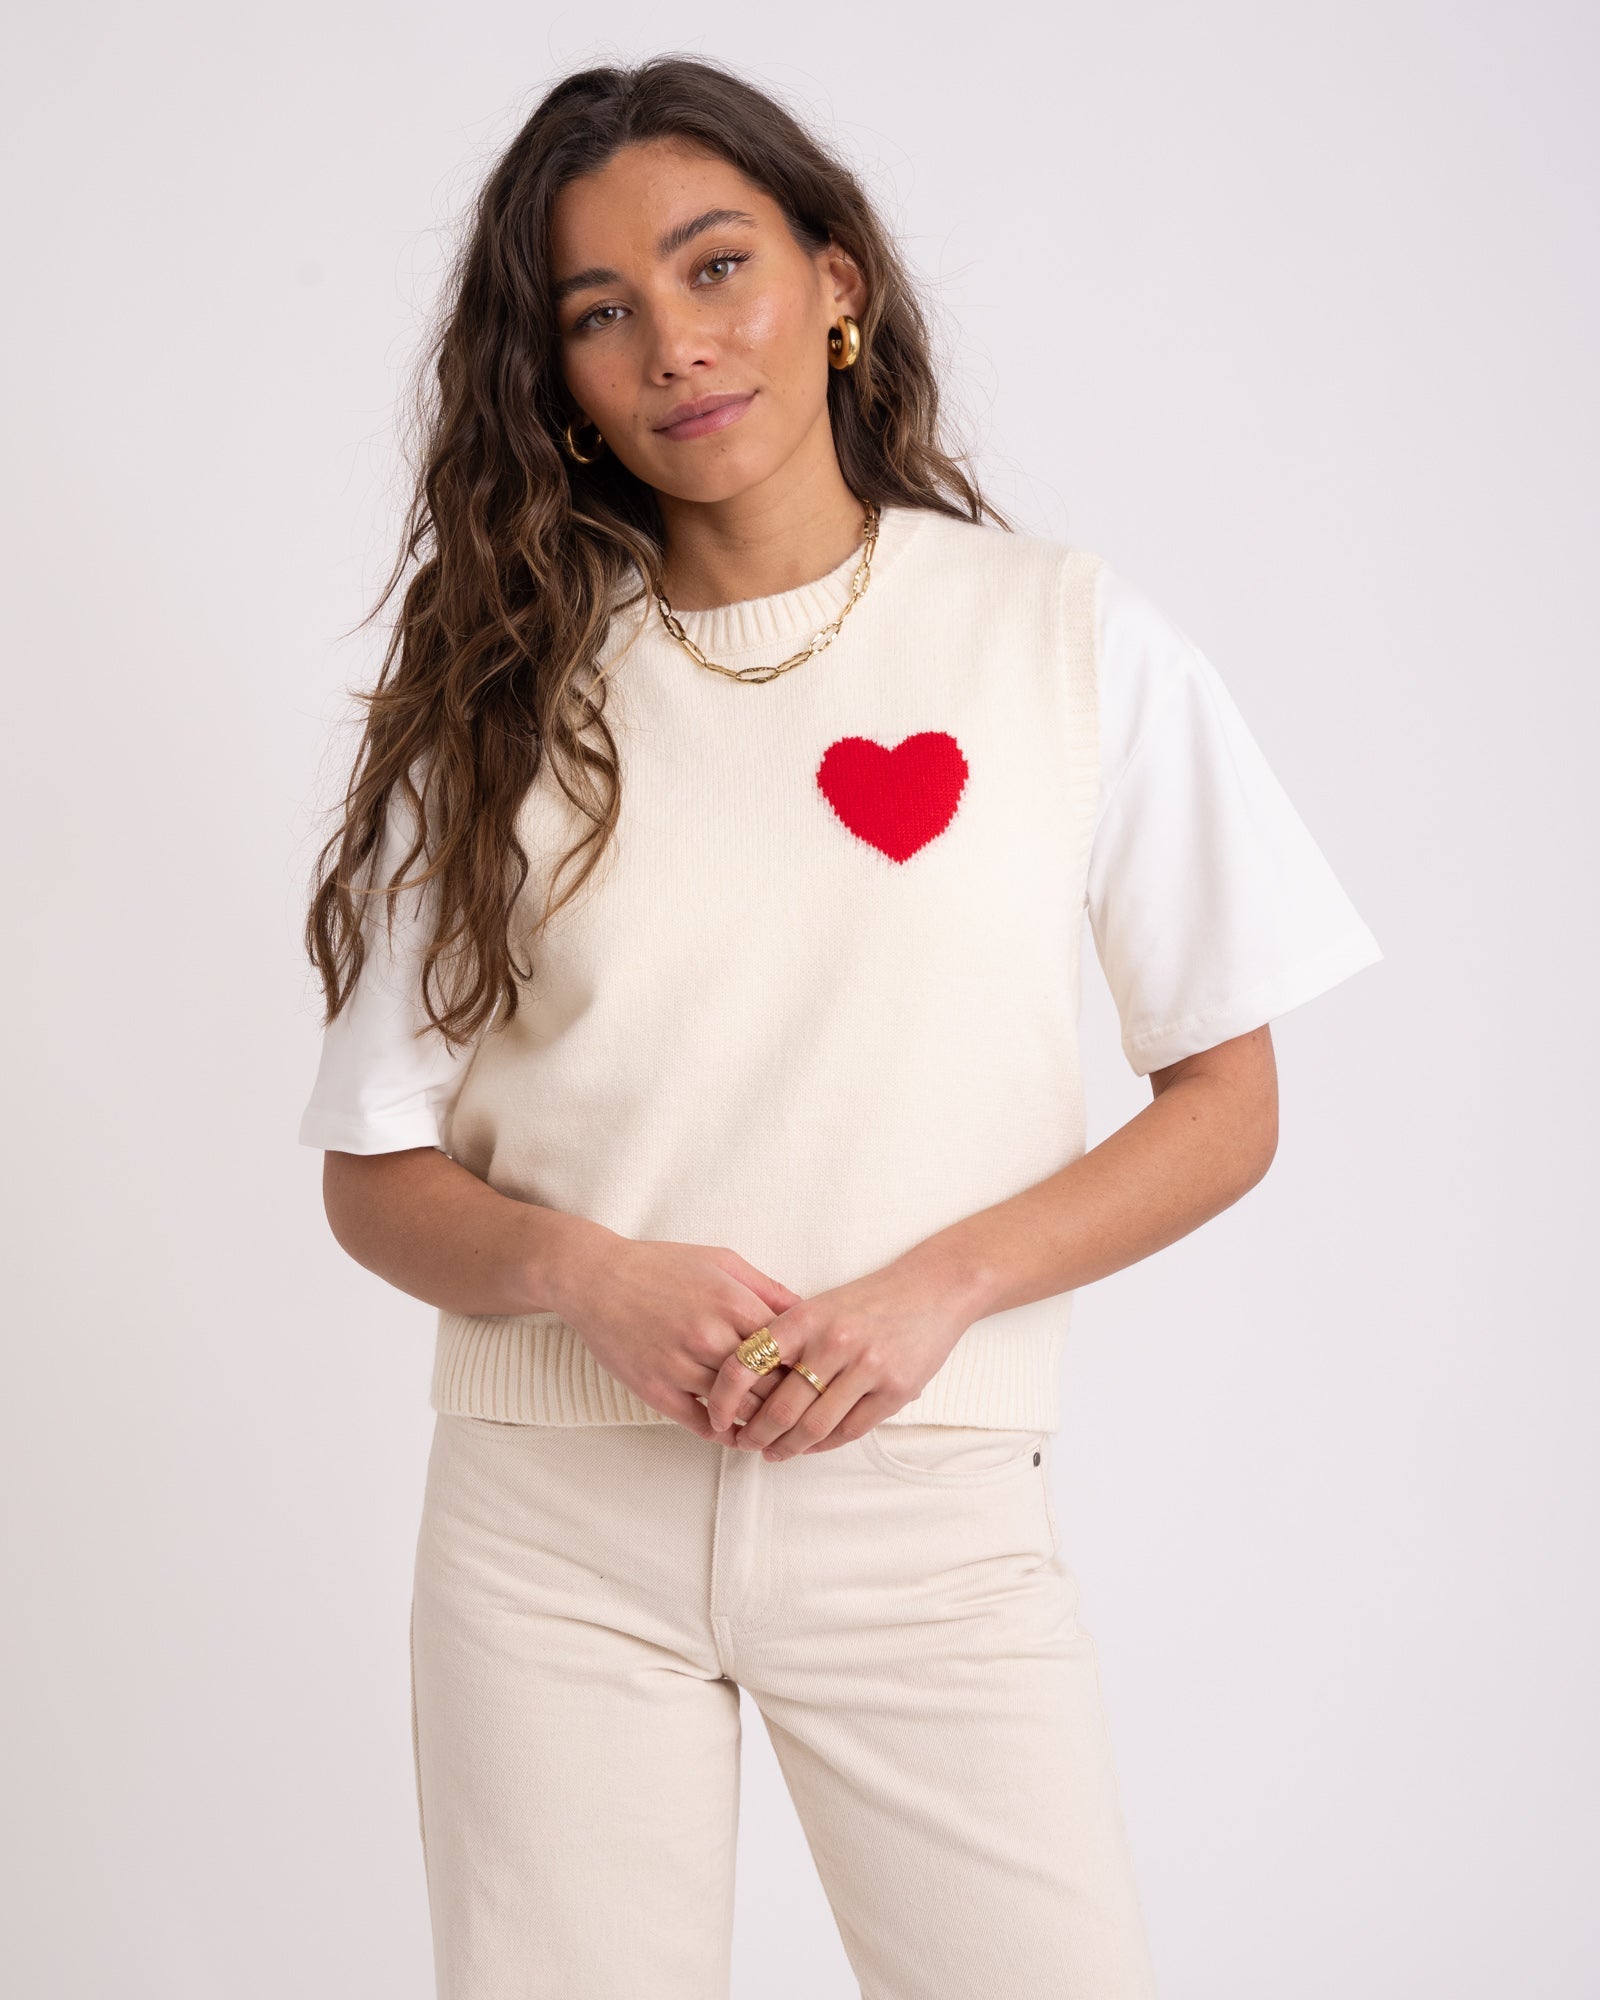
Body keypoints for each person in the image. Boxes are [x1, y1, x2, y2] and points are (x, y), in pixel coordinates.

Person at [297, 54, 1382, 2000]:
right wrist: (583, 1274)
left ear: (836, 281)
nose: (674, 344)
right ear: (554, 377)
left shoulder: (1061, 640)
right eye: (600, 312)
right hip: (550, 1536)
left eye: (715, 266)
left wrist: (937, 1291)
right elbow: (372, 1174)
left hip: (926, 1509)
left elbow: (1226, 1098)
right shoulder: (496, 700)